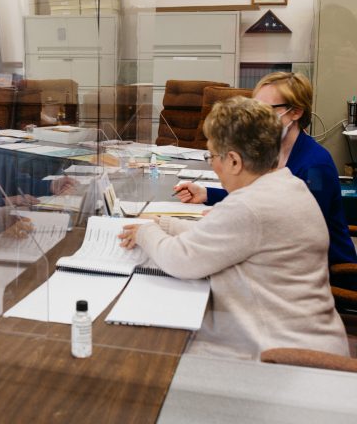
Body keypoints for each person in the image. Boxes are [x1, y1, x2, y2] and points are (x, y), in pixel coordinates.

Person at [119, 97, 349, 358]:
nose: (212, 164)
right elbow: (219, 238)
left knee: (151, 353)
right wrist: (166, 224)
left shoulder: (249, 207)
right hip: (306, 340)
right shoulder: (286, 184)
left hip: (280, 356)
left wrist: (144, 232)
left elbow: (180, 259)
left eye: (212, 156)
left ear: (234, 161)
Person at [175, 72, 357, 276]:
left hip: (319, 270)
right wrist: (207, 194)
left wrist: (234, 221)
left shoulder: (316, 166)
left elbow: (299, 234)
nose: (255, 117)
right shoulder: (271, 150)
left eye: (265, 110)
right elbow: (263, 200)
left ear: (295, 112)